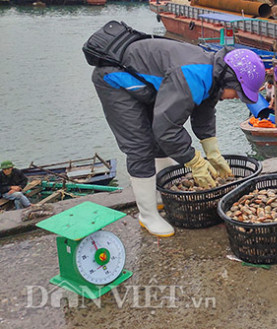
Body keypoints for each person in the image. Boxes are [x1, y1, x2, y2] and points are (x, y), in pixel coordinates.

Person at [91, 41, 265, 238]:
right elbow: (167, 129)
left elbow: (204, 111)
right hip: (115, 79)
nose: (237, 98)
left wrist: (212, 151)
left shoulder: (213, 74)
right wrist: (196, 162)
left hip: (147, 83)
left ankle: (159, 195)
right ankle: (147, 215)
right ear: (230, 81)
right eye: (238, 93)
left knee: (160, 144)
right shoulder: (191, 76)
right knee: (140, 147)